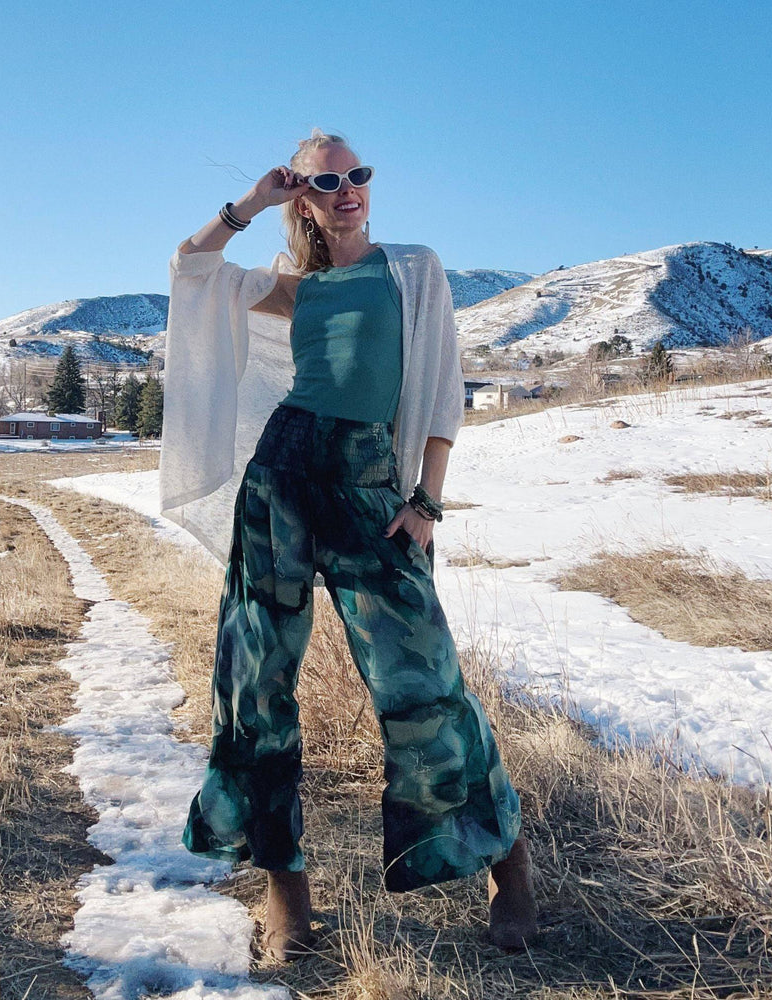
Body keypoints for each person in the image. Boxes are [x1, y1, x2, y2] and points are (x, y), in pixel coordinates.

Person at [160, 130, 537, 960]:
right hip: (281, 486)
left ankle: (507, 861)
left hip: (371, 491)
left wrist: (428, 499)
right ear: (306, 197)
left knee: (425, 684)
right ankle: (284, 892)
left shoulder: (412, 270)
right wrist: (252, 202)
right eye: (326, 181)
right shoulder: (295, 285)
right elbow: (191, 269)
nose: (347, 190)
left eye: (357, 174)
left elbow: (441, 390)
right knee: (254, 689)